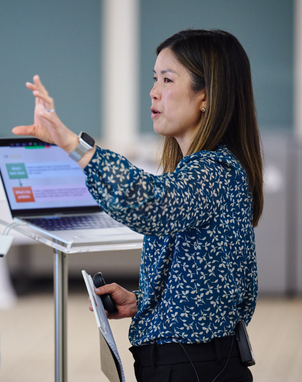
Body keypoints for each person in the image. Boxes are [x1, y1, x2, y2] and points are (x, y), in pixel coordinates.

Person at [13, 29, 262, 381]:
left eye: (167, 79)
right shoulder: (205, 169)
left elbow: (147, 203)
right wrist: (143, 300)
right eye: (154, 78)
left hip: (194, 368)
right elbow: (203, 284)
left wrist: (72, 143)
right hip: (194, 361)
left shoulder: (213, 172)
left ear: (205, 95)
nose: (154, 91)